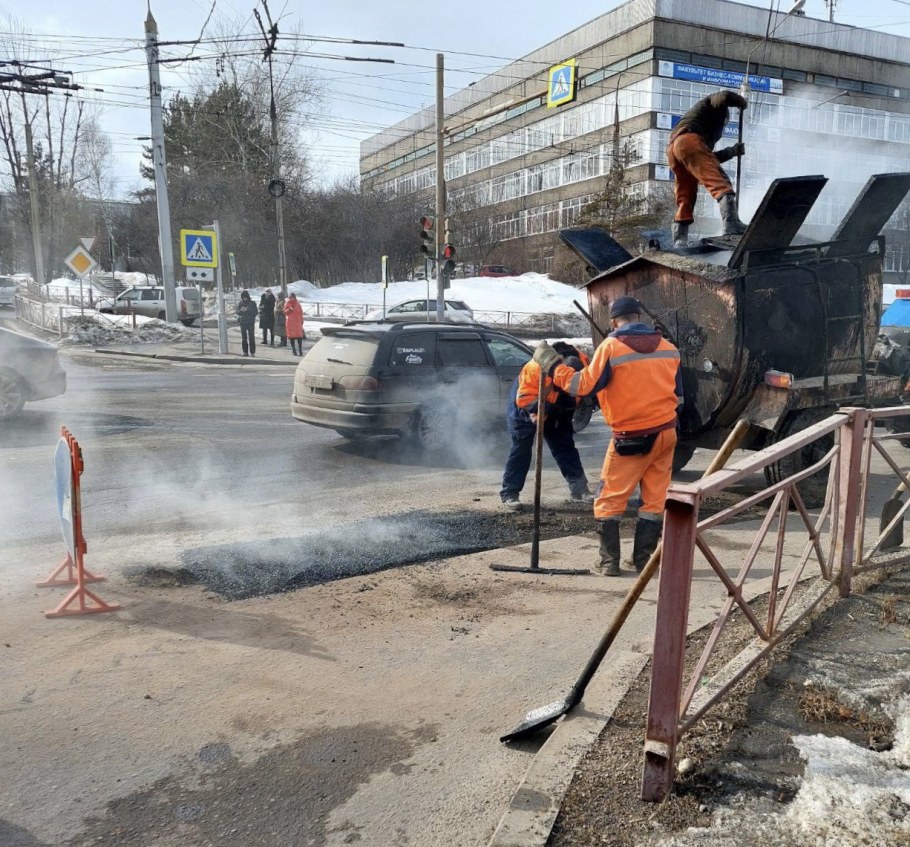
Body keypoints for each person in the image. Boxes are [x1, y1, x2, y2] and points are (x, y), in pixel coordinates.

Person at [533, 296, 683, 576]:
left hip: (631, 438)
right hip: (666, 432)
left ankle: (608, 562)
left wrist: (552, 366)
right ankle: (644, 561)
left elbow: (581, 386)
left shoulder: (611, 348)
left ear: (614, 322)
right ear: (639, 316)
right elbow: (680, 395)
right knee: (654, 500)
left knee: (609, 500)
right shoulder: (668, 348)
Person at [500, 343, 595, 512]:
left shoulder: (583, 364)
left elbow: (582, 392)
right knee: (521, 450)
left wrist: (565, 409)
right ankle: (510, 493)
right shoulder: (536, 369)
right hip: (525, 409)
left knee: (565, 448)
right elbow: (524, 399)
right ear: (557, 371)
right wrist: (547, 410)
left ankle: (579, 491)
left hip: (557, 407)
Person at [666, 89, 749, 248]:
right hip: (688, 141)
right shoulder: (710, 105)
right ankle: (731, 224)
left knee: (686, 194)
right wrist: (740, 101)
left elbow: (705, 160)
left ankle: (679, 238)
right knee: (720, 181)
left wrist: (731, 152)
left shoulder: (698, 123)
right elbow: (723, 96)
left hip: (674, 150)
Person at [235, 290, 258, 357]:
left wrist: (247, 310)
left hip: (250, 322)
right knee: (243, 338)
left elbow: (255, 312)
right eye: (243, 297)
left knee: (251, 337)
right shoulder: (241, 303)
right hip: (242, 322)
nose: (244, 298)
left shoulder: (252, 303)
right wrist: (241, 310)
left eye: (246, 297)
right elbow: (237, 312)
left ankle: (252, 352)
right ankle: (245, 351)